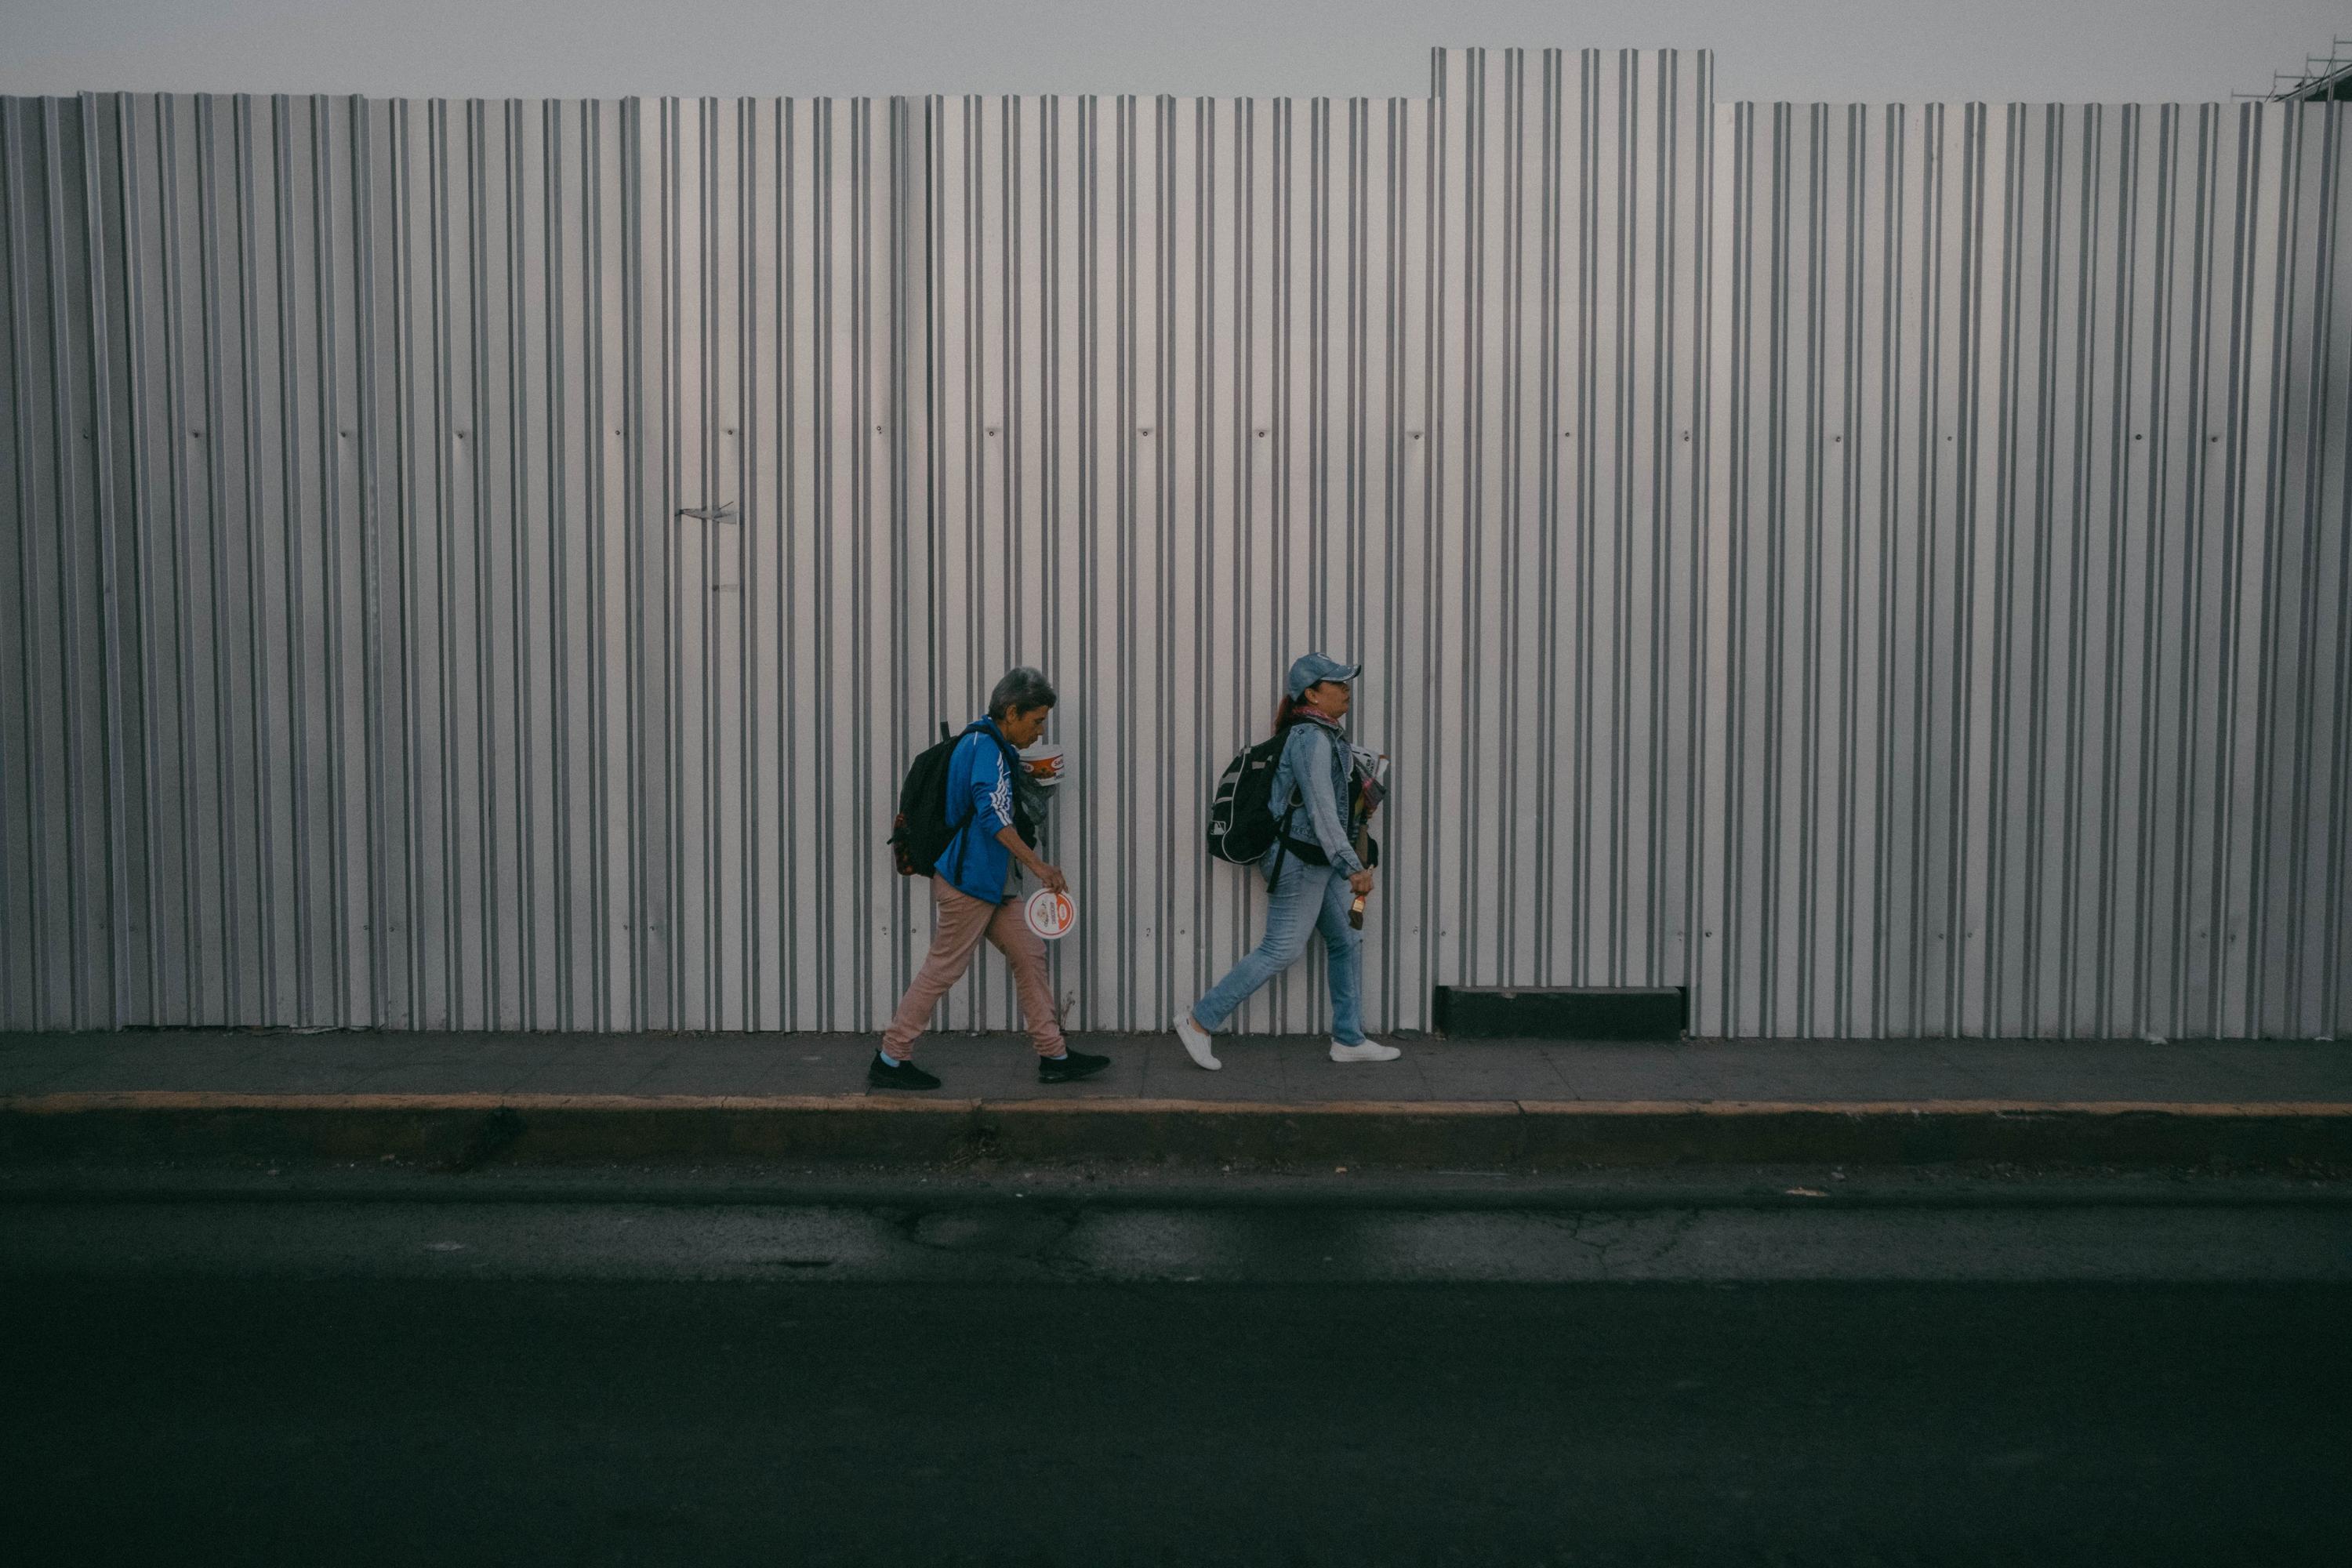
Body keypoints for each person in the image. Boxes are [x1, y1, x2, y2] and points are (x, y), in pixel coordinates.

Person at [872, 667, 1110, 1090]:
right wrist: (1040, 867)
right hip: (968, 884)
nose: (1039, 732)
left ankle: (1053, 1054)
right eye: (1035, 721)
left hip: (992, 884)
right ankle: (891, 1057)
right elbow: (993, 816)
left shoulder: (989, 744)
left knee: (1029, 955)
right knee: (943, 968)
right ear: (1012, 712)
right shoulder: (987, 749)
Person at [1174, 652, 1402, 1069]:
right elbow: (1319, 810)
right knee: (1281, 948)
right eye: (1338, 684)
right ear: (1312, 694)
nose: (1347, 690)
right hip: (1298, 859)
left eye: (1347, 683)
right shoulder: (1309, 738)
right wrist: (1353, 867)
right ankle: (1199, 1020)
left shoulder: (1329, 736)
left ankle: (1348, 1039)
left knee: (1346, 940)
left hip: (1319, 859)